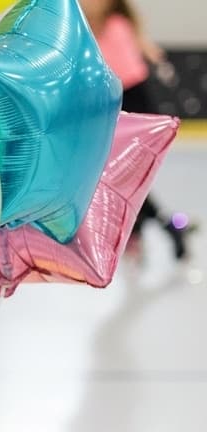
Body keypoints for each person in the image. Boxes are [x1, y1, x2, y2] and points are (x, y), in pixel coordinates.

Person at [81, 0, 193, 261]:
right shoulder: (85, 29)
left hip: (137, 101)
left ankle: (160, 227)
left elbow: (145, 47)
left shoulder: (121, 21)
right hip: (111, 103)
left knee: (128, 176)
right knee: (119, 176)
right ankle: (158, 227)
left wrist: (159, 61)